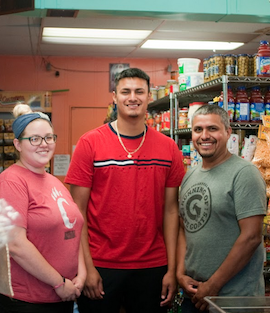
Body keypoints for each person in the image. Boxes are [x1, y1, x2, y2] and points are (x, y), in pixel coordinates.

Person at [66, 68, 185, 313]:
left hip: (153, 266)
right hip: (101, 265)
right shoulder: (90, 143)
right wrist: (86, 268)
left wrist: (172, 270)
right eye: (126, 91)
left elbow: (172, 212)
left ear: (149, 96)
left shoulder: (169, 148)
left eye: (139, 91)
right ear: (114, 96)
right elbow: (77, 212)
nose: (133, 97)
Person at [0, 104, 86, 313]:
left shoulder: (54, 181)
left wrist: (82, 273)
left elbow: (72, 231)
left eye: (49, 137)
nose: (43, 144)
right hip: (27, 302)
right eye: (34, 139)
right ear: (17, 144)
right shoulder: (11, 181)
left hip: (63, 295)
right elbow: (15, 244)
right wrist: (59, 283)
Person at [176, 104, 267, 312]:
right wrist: (180, 274)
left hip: (233, 300)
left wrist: (213, 284)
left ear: (228, 133)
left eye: (212, 129)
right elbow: (184, 228)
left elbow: (251, 237)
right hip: (194, 295)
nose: (204, 136)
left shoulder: (244, 173)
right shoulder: (191, 174)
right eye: (198, 129)